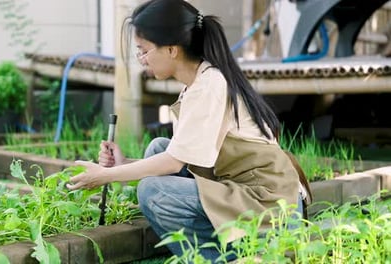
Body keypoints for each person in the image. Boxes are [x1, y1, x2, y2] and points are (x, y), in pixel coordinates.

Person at [67, 0, 311, 262]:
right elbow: (177, 156)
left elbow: (173, 164)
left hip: (271, 206)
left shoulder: (209, 85)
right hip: (245, 189)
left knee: (153, 191)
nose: (142, 60)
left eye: (144, 51)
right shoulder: (200, 81)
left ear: (171, 49)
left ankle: (224, 258)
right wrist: (124, 164)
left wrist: (107, 175)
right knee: (158, 147)